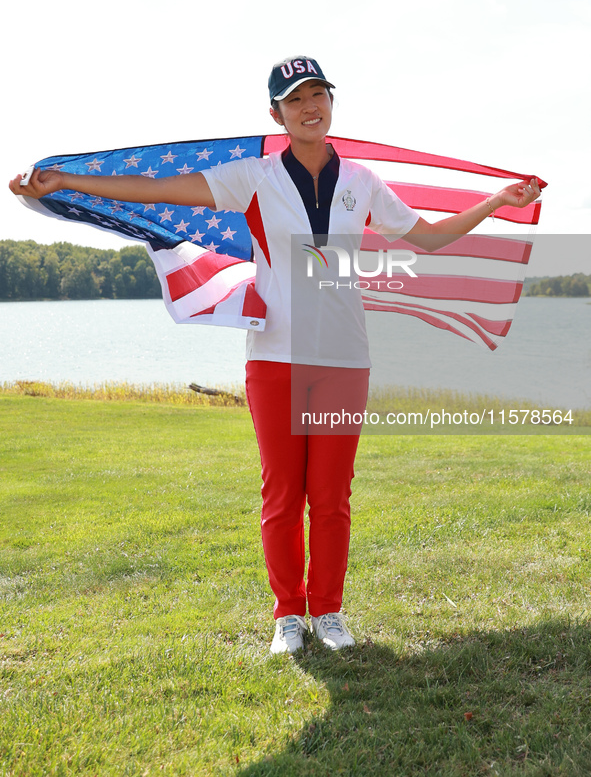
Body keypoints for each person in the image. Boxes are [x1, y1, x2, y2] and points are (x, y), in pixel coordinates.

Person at [9, 55, 541, 654]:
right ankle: (288, 614)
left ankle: (330, 612)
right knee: (283, 494)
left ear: (331, 103)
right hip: (274, 359)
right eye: (296, 99)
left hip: (345, 361)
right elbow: (159, 190)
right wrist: (72, 182)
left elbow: (428, 237)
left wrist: (497, 201)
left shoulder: (362, 183)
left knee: (333, 497)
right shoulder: (253, 177)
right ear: (276, 113)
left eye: (319, 94)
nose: (311, 106)